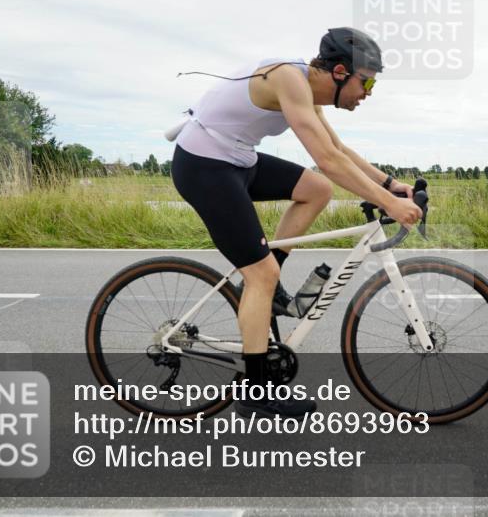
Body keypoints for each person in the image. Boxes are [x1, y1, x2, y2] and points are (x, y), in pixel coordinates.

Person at [170, 27, 423, 418]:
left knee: (317, 190)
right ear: (340, 72)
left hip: (238, 160)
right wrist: (388, 202)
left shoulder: (309, 90)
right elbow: (326, 158)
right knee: (261, 273)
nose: (370, 91)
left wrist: (390, 184)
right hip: (204, 165)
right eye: (367, 80)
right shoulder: (289, 77)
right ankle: (255, 394)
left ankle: (265, 289)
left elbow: (338, 150)